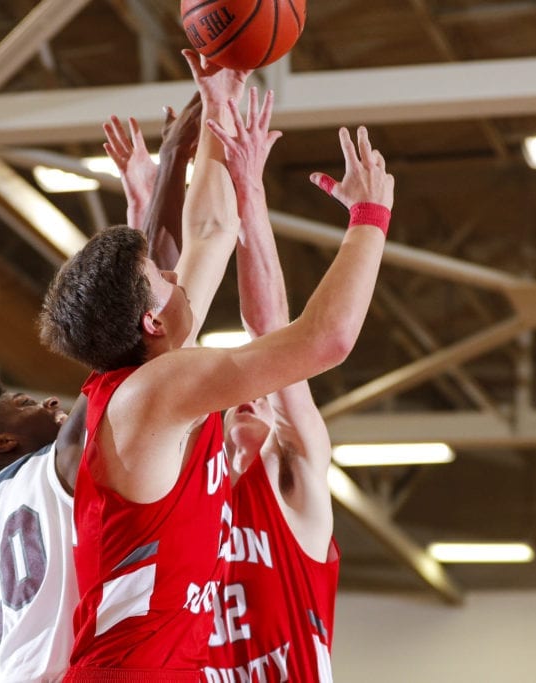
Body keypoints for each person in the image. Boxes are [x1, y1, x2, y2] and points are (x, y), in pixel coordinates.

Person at [39, 72, 394, 683]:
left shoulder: (150, 368)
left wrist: (219, 97)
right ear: (152, 319)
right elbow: (325, 339)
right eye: (163, 275)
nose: (180, 276)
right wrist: (370, 215)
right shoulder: (157, 391)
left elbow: (212, 232)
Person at [0, 95, 202, 683]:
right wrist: (177, 152)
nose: (52, 401)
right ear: (2, 444)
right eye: (25, 405)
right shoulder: (50, 469)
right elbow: (135, 305)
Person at [203, 90, 354, 683]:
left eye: (266, 389)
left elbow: (269, 330)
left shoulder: (294, 473)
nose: (252, 391)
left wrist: (249, 190)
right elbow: (147, 342)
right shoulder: (186, 489)